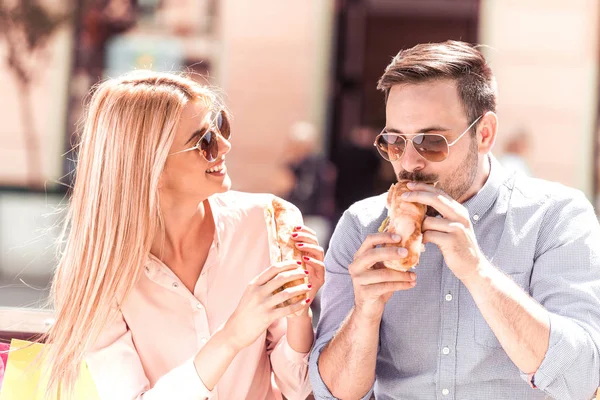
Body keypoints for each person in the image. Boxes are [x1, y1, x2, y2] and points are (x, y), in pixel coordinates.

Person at [308, 41, 600, 400]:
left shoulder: (557, 216)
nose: (410, 163)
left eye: (432, 142)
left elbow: (581, 379)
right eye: (395, 142)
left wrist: (478, 273)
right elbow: (332, 393)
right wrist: (365, 313)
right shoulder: (361, 225)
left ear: (485, 134)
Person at [43, 71, 325, 400]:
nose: (224, 145)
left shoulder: (269, 222)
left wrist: (298, 313)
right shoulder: (95, 276)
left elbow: (299, 388)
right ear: (151, 169)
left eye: (220, 126)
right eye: (203, 142)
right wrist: (232, 335)